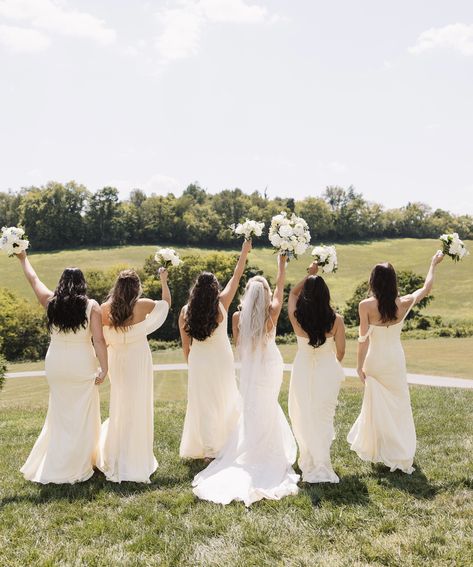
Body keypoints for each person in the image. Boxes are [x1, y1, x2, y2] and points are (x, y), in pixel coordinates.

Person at [192, 254, 299, 506]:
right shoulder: (272, 313)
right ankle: (265, 453)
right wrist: (281, 266)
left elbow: (238, 344)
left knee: (252, 407)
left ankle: (251, 448)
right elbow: (281, 287)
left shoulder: (238, 318)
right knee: (268, 405)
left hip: (251, 370)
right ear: (265, 294)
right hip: (270, 366)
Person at [347, 251, 444, 473]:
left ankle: (381, 448)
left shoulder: (365, 306)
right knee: (399, 406)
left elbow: (362, 341)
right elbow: (426, 288)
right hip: (395, 361)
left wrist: (358, 366)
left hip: (375, 361)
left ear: (373, 281)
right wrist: (433, 263)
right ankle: (399, 449)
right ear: (393, 281)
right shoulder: (405, 302)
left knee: (376, 406)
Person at [16, 251, 108, 484]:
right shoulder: (92, 306)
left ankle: (58, 462)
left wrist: (22, 258)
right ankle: (80, 462)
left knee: (61, 413)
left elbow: (33, 280)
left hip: (56, 362)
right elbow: (98, 340)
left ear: (61, 283)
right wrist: (104, 368)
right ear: (82, 284)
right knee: (82, 414)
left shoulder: (50, 302)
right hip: (81, 362)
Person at [179, 239, 252, 460]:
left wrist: (191, 362)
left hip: (199, 359)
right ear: (214, 289)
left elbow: (185, 345)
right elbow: (237, 275)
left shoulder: (185, 310)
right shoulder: (222, 303)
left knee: (204, 404)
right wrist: (244, 251)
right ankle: (228, 443)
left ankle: (210, 449)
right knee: (225, 398)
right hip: (221, 359)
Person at [96, 268, 170, 483]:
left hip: (117, 361)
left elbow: (100, 338)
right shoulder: (144, 304)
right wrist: (164, 281)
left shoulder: (104, 309)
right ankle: (137, 455)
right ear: (137, 287)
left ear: (117, 287)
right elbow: (166, 305)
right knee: (139, 404)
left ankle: (118, 452)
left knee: (121, 402)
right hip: (139, 359)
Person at [288, 261, 346, 483]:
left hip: (302, 368)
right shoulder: (336, 320)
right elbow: (340, 351)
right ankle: (322, 459)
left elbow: (293, 292)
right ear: (326, 295)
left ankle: (310, 457)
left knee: (303, 413)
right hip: (326, 370)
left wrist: (309, 274)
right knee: (323, 415)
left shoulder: (295, 315)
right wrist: (329, 366)